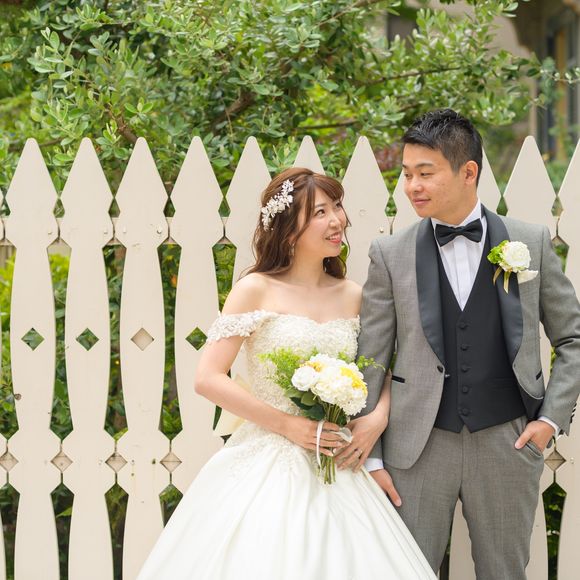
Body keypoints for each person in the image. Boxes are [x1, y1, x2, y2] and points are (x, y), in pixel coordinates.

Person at [137, 167, 436, 579]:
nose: (337, 221)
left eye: (337, 207)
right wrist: (290, 425)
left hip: (338, 458)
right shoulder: (255, 289)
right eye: (320, 212)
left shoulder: (354, 295)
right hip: (268, 456)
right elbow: (208, 377)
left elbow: (383, 369)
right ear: (288, 229)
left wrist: (378, 417)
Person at [348, 108, 580, 578]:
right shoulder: (389, 254)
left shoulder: (530, 242)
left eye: (425, 173)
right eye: (407, 174)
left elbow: (572, 338)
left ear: (468, 172)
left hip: (507, 442)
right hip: (416, 449)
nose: (412, 186)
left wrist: (549, 420)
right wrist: (371, 458)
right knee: (407, 572)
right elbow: (371, 357)